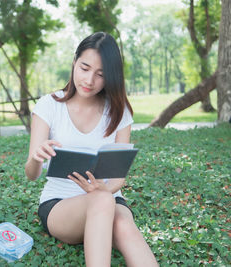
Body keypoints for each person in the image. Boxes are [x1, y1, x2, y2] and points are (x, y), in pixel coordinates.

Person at [25, 32, 158, 266]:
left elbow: (118, 178)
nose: (89, 80)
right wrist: (36, 157)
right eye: (84, 68)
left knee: (122, 222)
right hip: (60, 205)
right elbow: (31, 174)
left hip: (108, 198)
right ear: (74, 62)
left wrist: (104, 187)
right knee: (102, 200)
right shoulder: (49, 105)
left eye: (100, 75)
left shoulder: (119, 111)